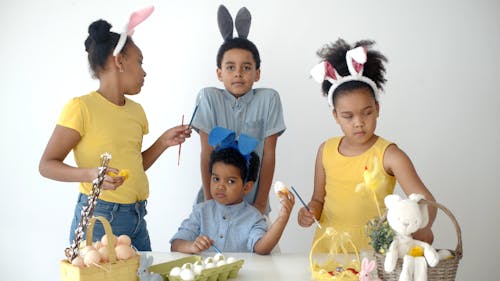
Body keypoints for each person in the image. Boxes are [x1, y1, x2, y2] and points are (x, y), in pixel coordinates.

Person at [38, 15, 191, 251]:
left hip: (137, 218)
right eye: (140, 62)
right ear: (119, 61)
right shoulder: (81, 108)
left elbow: (134, 163)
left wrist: (162, 142)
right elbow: (47, 165)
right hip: (99, 218)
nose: (145, 72)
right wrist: (92, 175)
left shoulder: (137, 111)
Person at [297, 38, 436, 253]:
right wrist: (309, 212)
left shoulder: (389, 155)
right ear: (335, 116)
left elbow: (425, 199)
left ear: (377, 108)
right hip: (330, 246)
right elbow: (317, 199)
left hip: (374, 249)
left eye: (367, 112)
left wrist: (424, 226)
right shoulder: (325, 150)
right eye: (348, 116)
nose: (358, 122)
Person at [191, 5, 286, 215]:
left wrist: (261, 203)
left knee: (261, 247)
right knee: (206, 247)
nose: (238, 74)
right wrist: (209, 203)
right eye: (230, 67)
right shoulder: (208, 97)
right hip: (214, 199)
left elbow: (269, 154)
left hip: (252, 203)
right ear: (219, 72)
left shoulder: (269, 99)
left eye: (246, 67)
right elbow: (206, 152)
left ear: (257, 73)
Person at [170, 127, 294, 255]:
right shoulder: (201, 212)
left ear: (247, 187)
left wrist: (282, 219)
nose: (220, 186)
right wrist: (191, 246)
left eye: (230, 181)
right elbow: (176, 244)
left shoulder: (253, 217)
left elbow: (261, 248)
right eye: (216, 178)